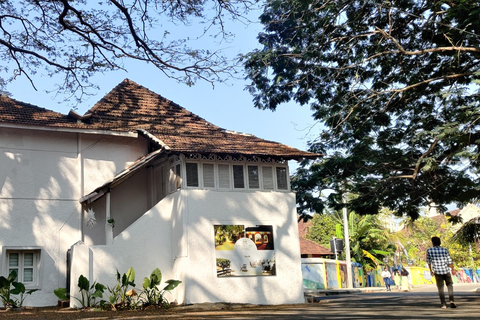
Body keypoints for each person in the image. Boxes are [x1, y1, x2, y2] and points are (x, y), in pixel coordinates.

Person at [426, 236, 457, 309]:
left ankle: (444, 304)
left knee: (440, 288)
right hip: (446, 270)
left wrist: (431, 271)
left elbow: (429, 262)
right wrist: (452, 269)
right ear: (440, 242)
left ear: (433, 243)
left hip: (437, 272)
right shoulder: (445, 250)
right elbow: (449, 261)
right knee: (450, 285)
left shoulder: (429, 250)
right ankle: (452, 301)